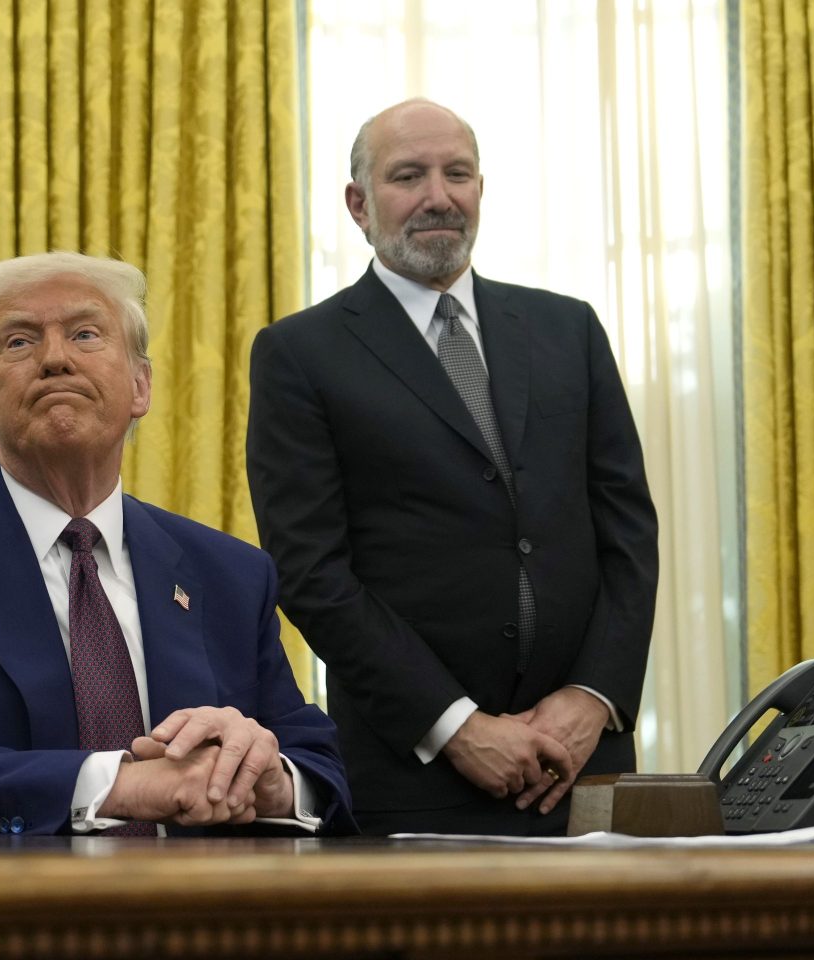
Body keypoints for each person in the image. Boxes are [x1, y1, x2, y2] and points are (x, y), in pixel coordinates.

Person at [0, 251, 355, 836]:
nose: (55, 359)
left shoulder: (229, 574)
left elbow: (324, 773)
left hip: (197, 915)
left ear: (141, 386)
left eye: (85, 334)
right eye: (19, 342)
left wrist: (268, 780)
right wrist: (118, 784)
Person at [246, 99, 658, 835]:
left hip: (585, 765)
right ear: (359, 204)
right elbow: (311, 572)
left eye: (457, 174)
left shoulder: (570, 329)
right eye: (409, 175)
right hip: (416, 774)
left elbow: (628, 536)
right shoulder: (300, 355)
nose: (439, 196)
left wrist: (594, 696)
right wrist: (456, 726)